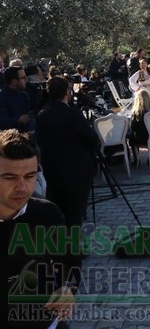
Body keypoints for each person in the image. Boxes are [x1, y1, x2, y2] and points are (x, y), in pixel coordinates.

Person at [0, 129, 81, 329]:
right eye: (9, 177)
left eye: (30, 176)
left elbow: (71, 259)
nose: (22, 187)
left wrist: (67, 287)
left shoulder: (47, 213)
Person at [36, 76, 98, 227]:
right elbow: (91, 139)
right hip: (76, 171)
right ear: (67, 92)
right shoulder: (73, 114)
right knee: (75, 214)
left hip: (53, 172)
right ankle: (74, 247)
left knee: (59, 214)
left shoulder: (42, 115)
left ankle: (63, 245)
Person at [0, 66, 35, 133]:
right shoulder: (2, 98)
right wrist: (18, 120)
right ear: (14, 81)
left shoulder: (24, 95)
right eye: (23, 78)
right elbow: (2, 121)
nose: (26, 80)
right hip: (11, 138)